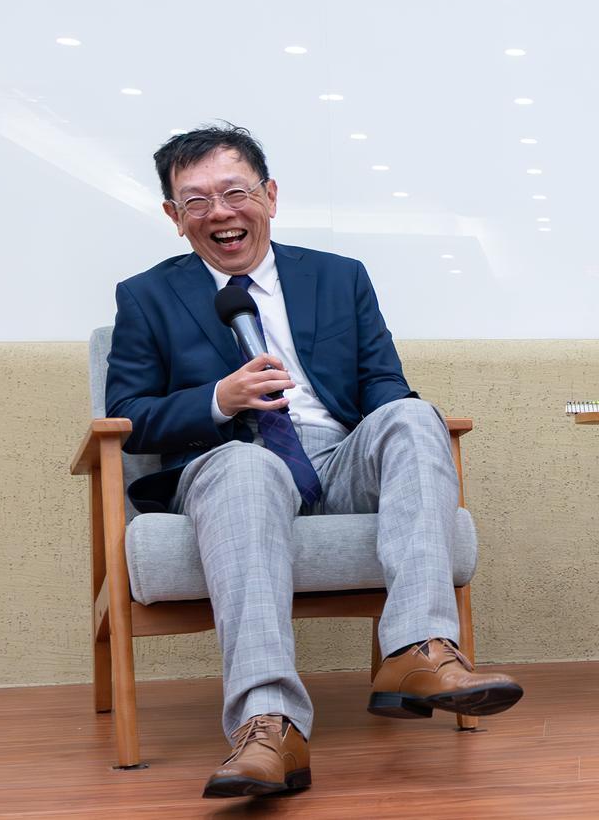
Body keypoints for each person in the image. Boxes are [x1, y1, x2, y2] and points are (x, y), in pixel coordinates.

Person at [105, 124, 523, 798]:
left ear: (269, 196)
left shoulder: (338, 277)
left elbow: (382, 382)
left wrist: (396, 421)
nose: (219, 212)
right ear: (173, 218)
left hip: (337, 457)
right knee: (246, 466)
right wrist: (218, 397)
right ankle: (270, 726)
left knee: (416, 415)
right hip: (231, 463)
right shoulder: (146, 296)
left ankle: (419, 649)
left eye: (234, 191)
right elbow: (129, 415)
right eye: (196, 201)